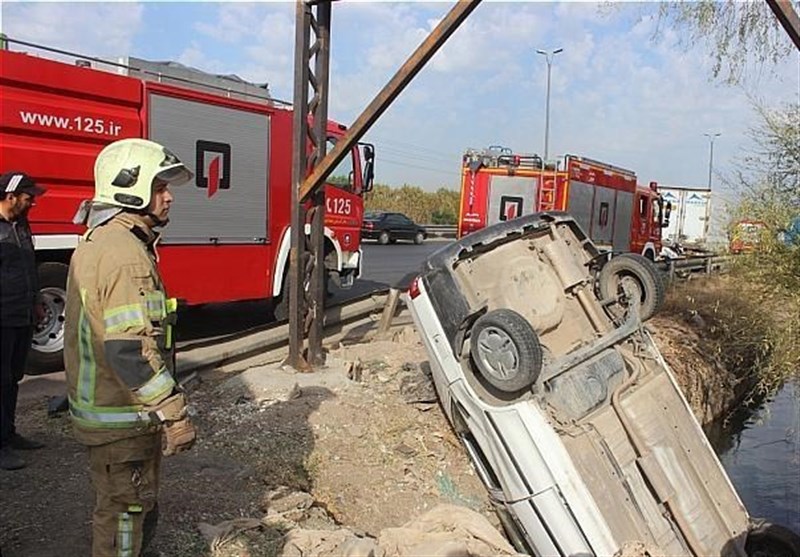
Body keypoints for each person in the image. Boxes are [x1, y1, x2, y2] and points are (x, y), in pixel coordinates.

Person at [64, 138, 197, 557]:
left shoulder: (104, 240)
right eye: (160, 186)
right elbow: (130, 351)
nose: (169, 196)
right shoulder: (125, 255)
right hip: (121, 417)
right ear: (130, 188)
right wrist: (173, 414)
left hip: (110, 411)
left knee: (125, 508)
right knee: (125, 514)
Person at [0, 171, 46, 471]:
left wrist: (37, 300)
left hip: (22, 314)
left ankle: (10, 433)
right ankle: (0, 445)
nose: (32, 204)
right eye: (28, 198)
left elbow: (29, 265)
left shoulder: (21, 224)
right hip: (2, 317)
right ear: (11, 196)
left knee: (13, 378)